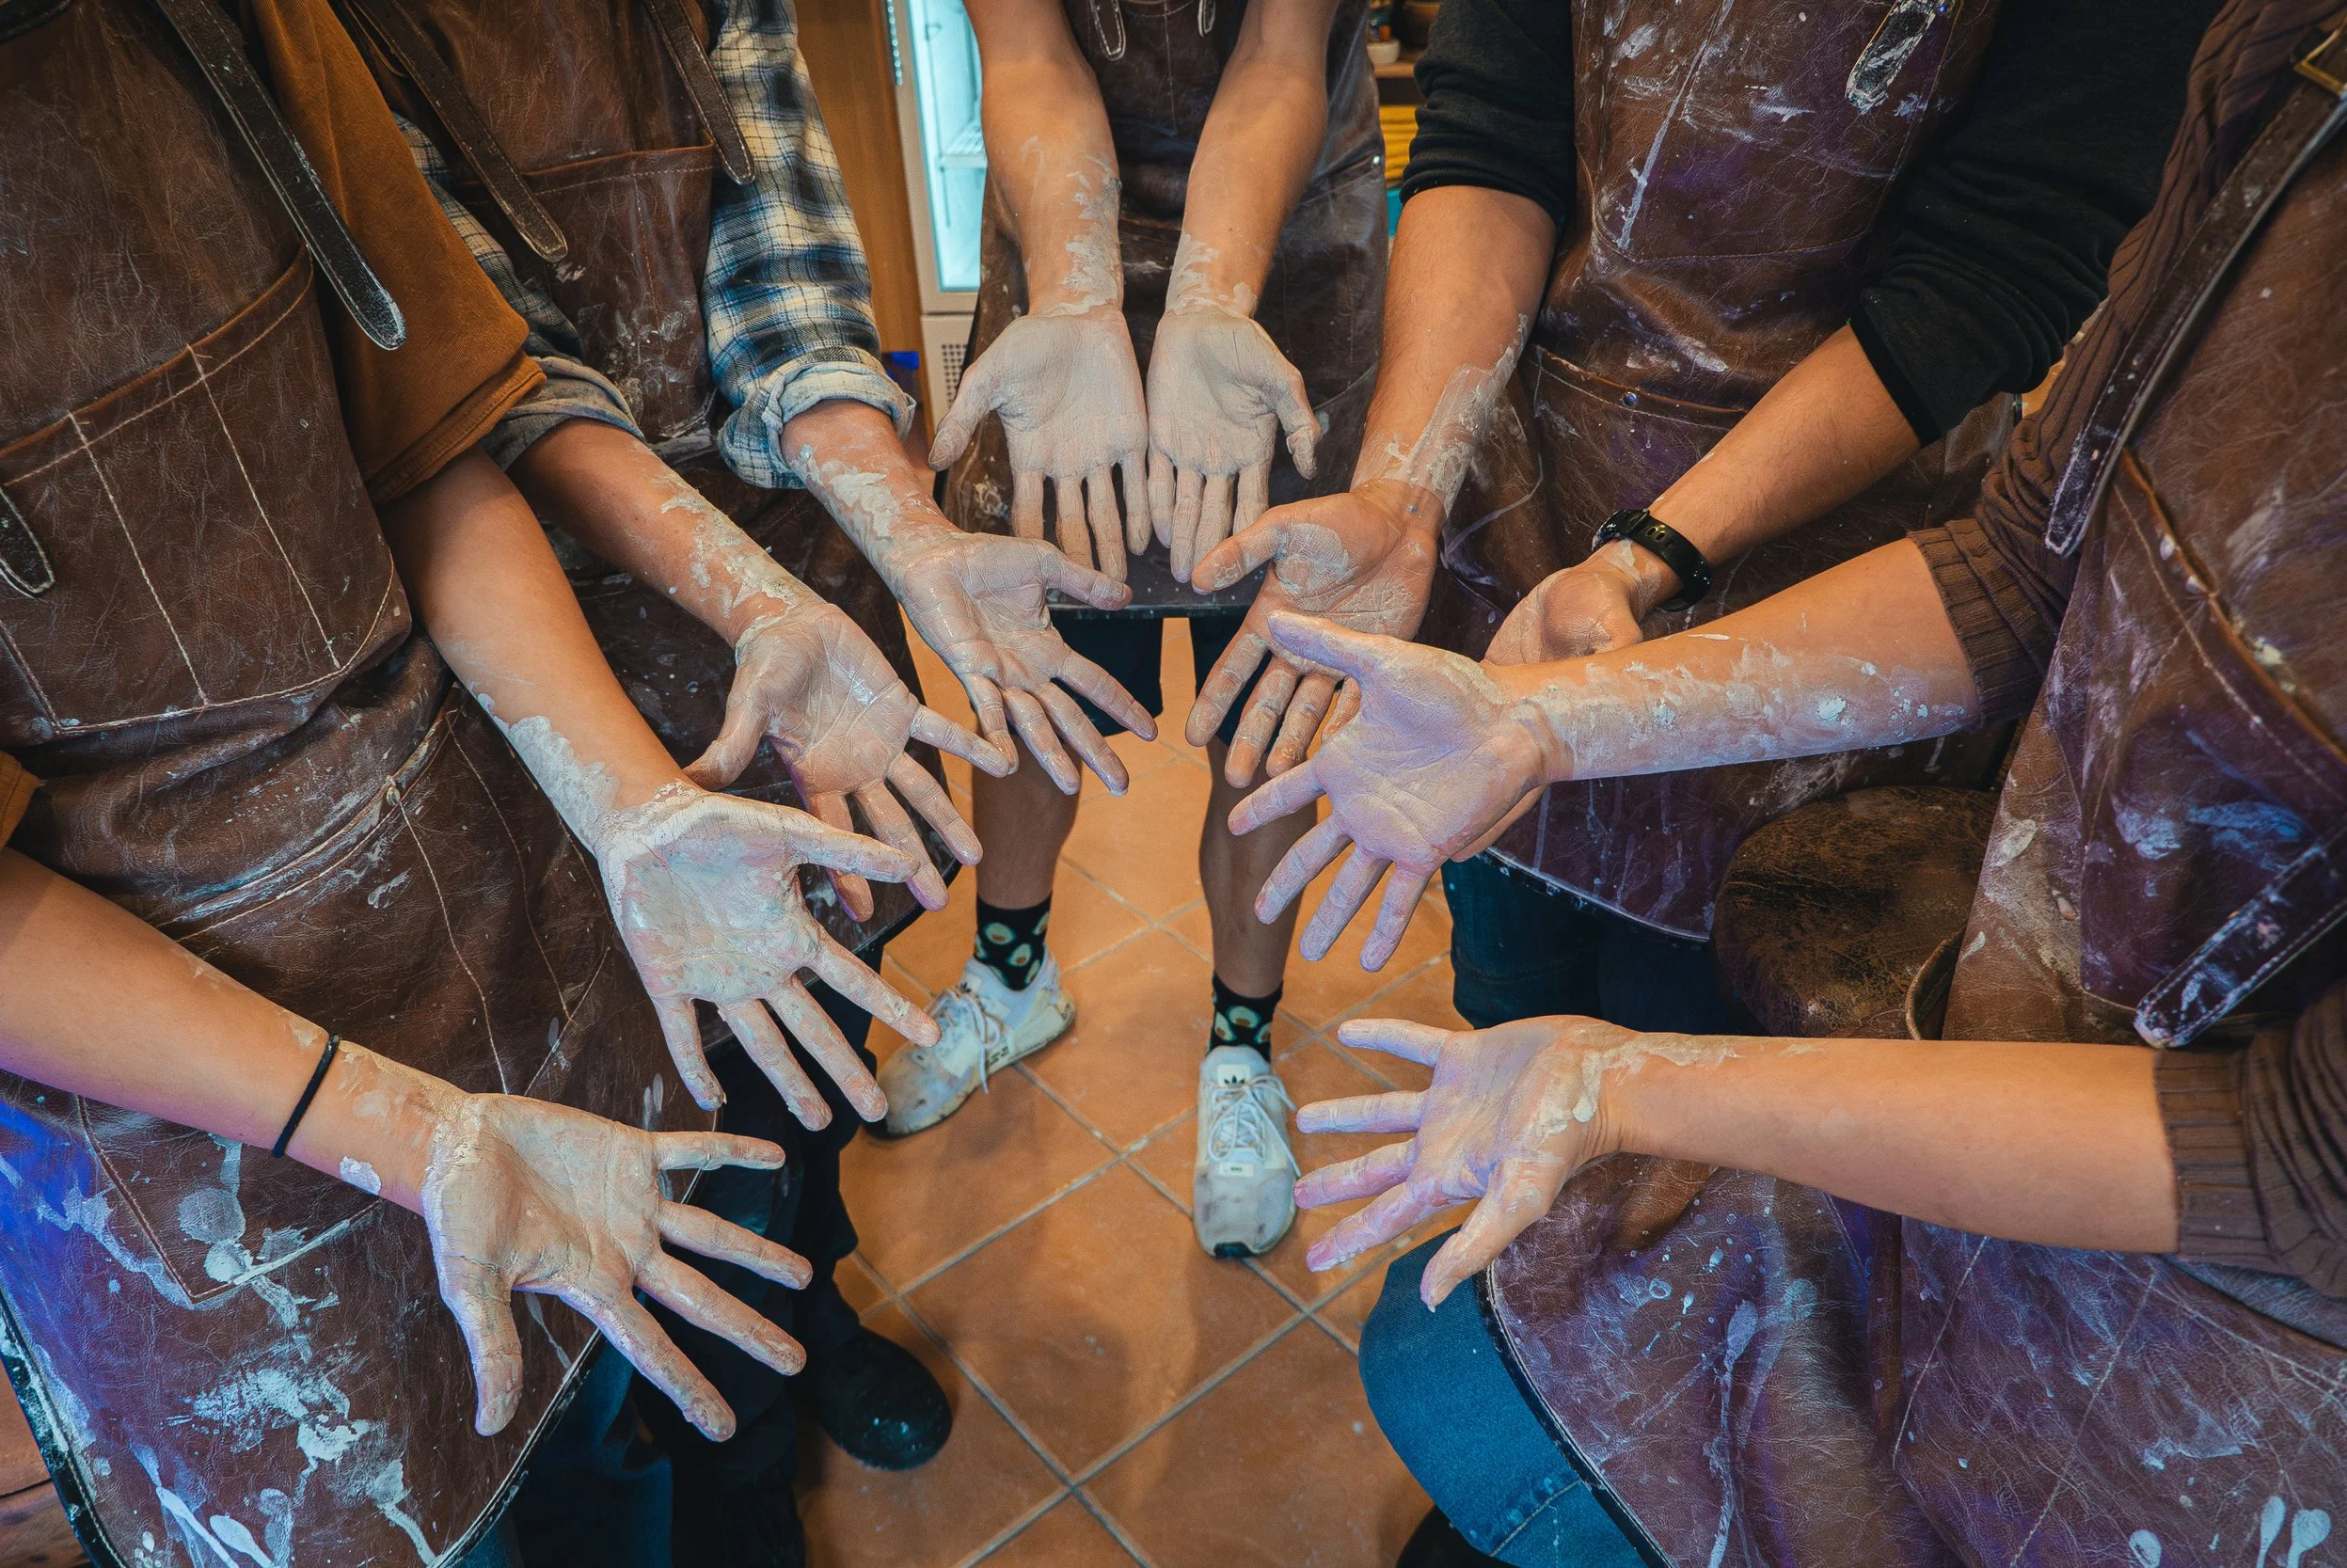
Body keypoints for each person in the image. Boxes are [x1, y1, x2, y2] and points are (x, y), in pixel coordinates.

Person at [1236, 0, 2347, 1558]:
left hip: (2250, 1289)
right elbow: (2023, 558)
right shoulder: (2292, 66)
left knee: (1490, 1378)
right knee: (1455, 1363)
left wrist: (1628, 1080)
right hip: (2052, 976)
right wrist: (1543, 722)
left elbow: (2305, 1167)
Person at [0, 0, 939, 1561]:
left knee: (613, 1449)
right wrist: (396, 1126)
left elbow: (430, 443)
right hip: (168, 1100)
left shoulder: (251, 25)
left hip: (470, 869)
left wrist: (625, 801)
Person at [1181, 0, 2225, 1041]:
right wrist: (1401, 492)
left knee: (1694, 1061)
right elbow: (1492, 138)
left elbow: (1995, 269)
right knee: (1511, 1003)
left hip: (1834, 571)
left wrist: (1647, 555)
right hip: (1524, 515)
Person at [885, 0, 1388, 1260]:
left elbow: (1278, 58)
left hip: (1279, 289)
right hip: (1070, 310)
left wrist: (1211, 295)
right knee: (1036, 674)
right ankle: (1010, 974)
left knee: (1263, 708)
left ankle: (1239, 1049)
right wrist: (1075, 288)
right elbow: (1031, 56)